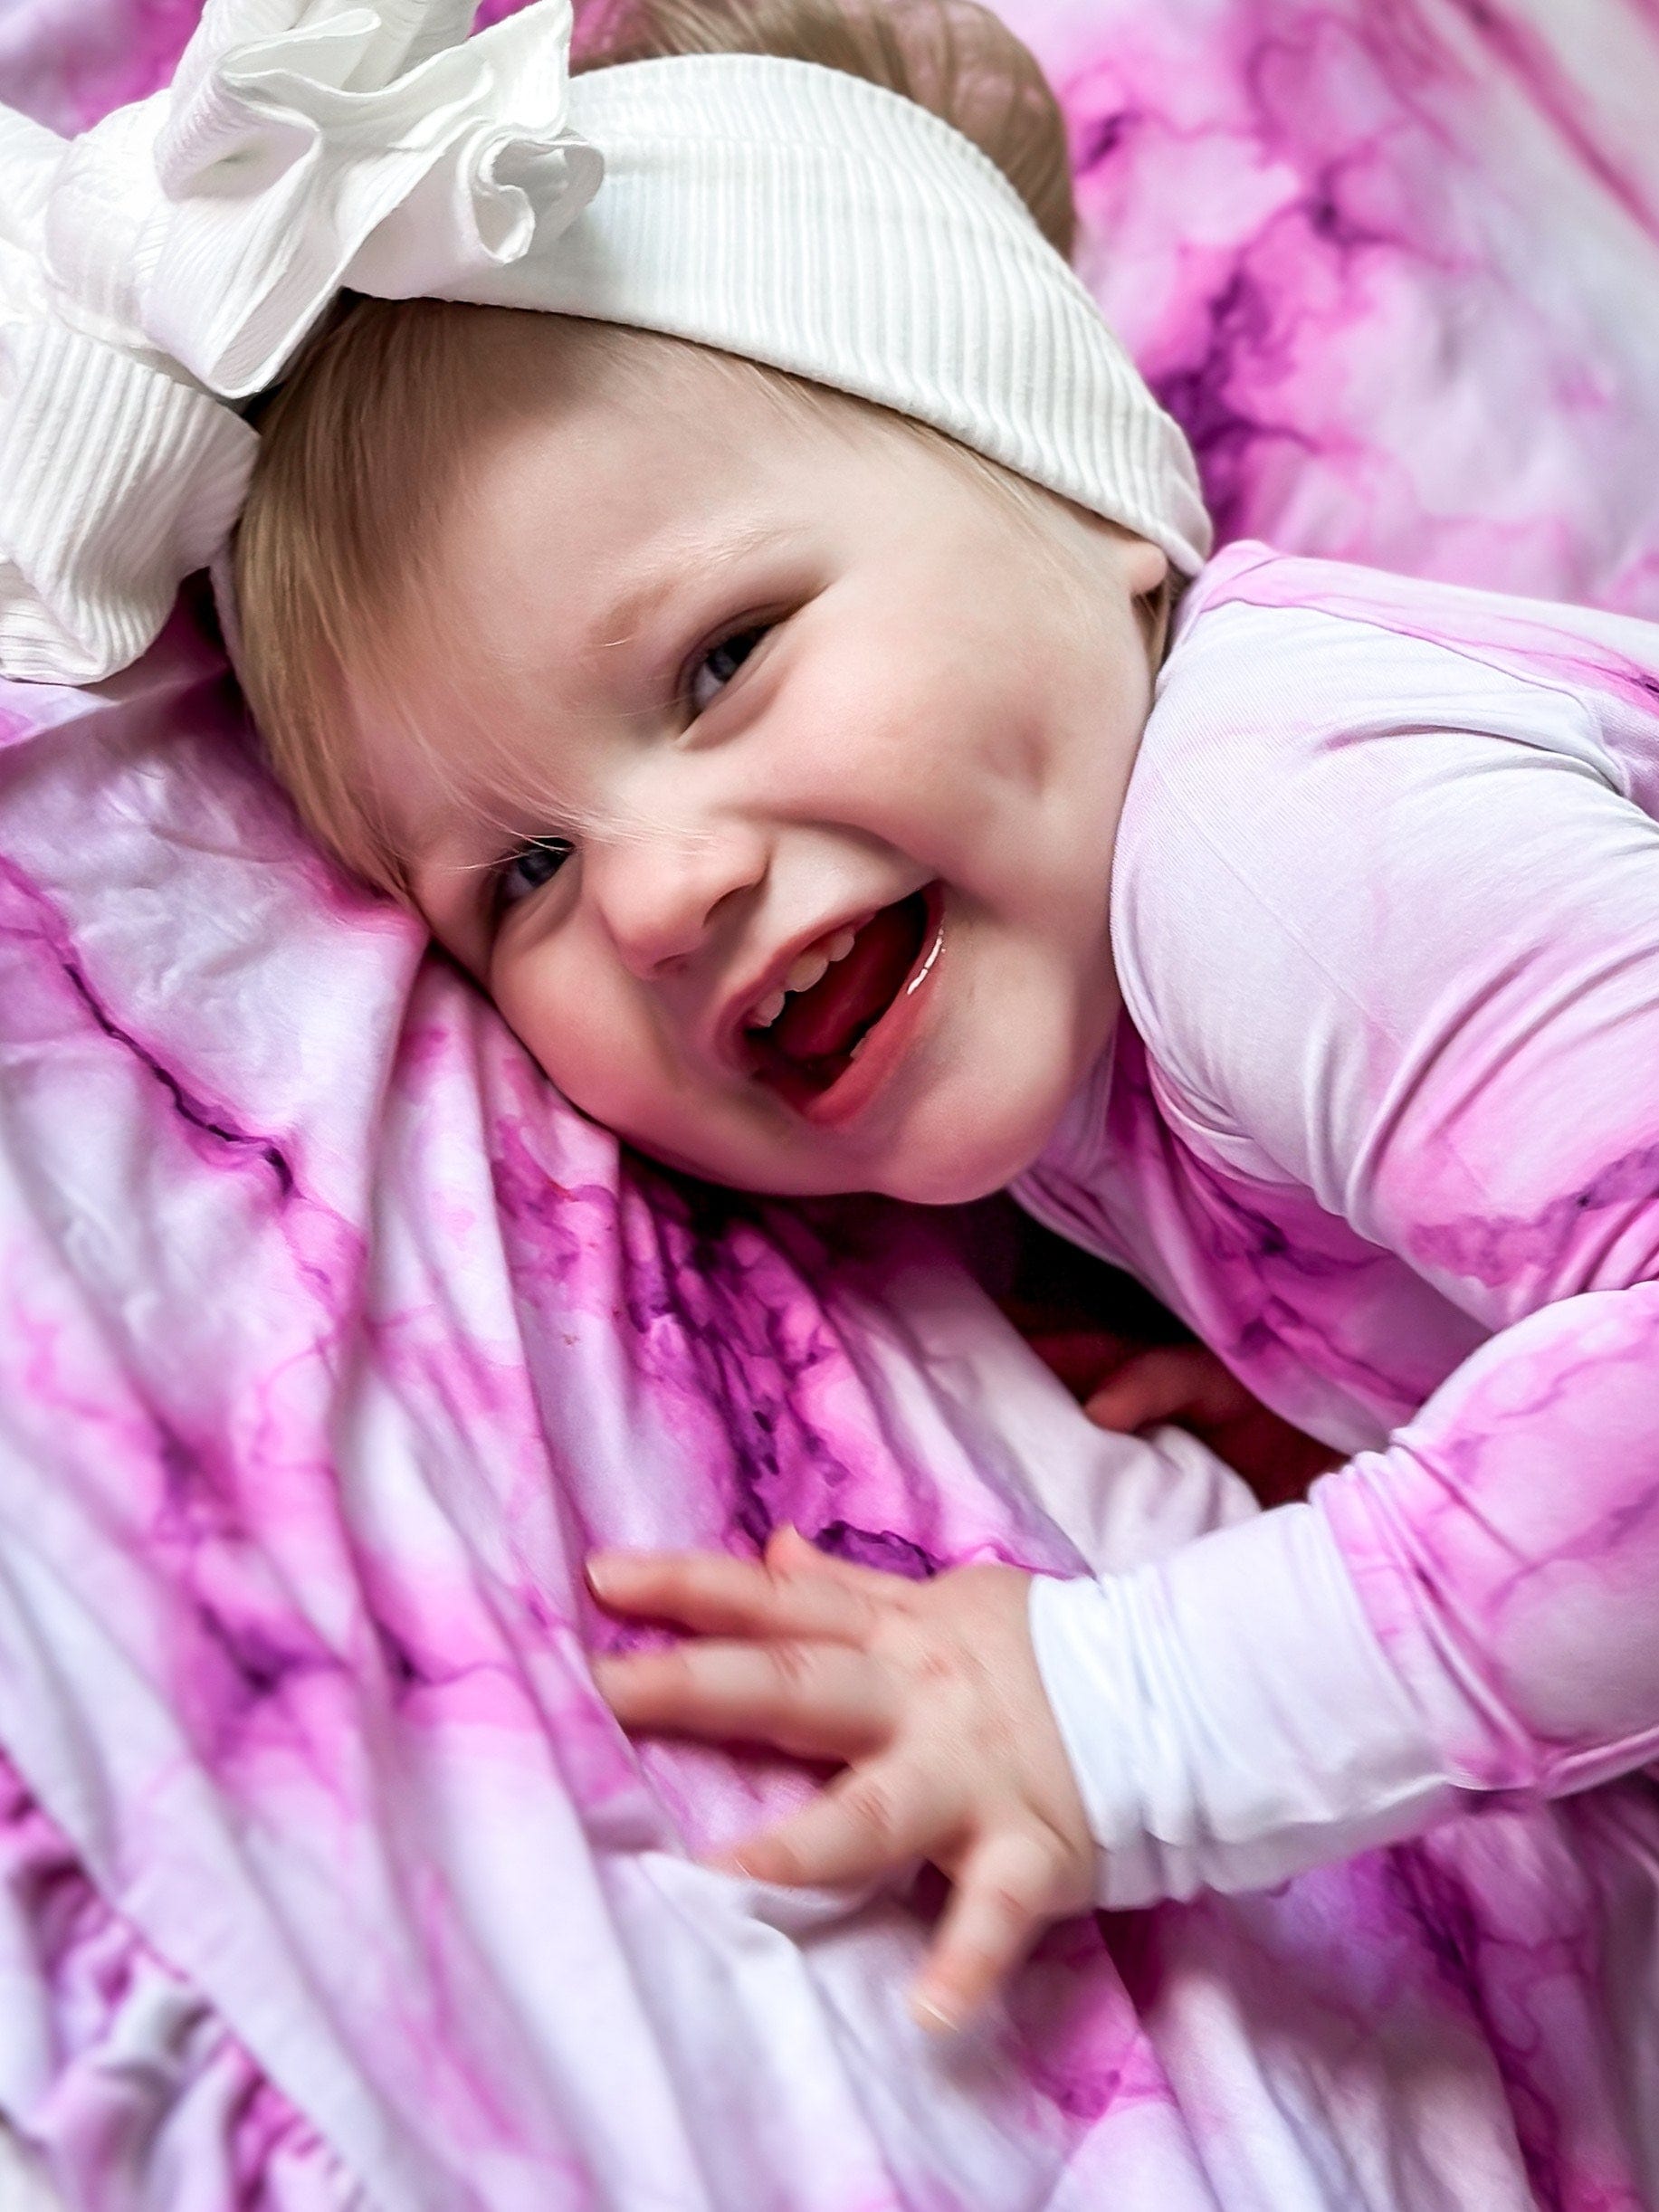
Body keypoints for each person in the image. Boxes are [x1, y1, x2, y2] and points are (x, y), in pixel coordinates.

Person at [6, 0, 1658, 2049]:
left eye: (717, 663)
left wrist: (1132, 1712)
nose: (651, 886)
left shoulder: (1268, 834)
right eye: (516, 877)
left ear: (1077, 493)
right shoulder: (1078, 956)